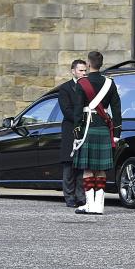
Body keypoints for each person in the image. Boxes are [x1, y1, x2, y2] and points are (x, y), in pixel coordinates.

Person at [73, 50, 122, 215]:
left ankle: (90, 205)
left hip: (87, 128)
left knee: (87, 169)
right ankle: (99, 206)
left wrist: (77, 132)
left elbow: (77, 111)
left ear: (88, 64)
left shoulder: (81, 83)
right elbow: (116, 109)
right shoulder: (110, 83)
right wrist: (117, 132)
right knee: (101, 169)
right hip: (103, 128)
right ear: (101, 64)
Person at [58, 58, 87, 208]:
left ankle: (80, 196)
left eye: (85, 70)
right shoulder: (65, 88)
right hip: (70, 129)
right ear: (73, 71)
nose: (83, 73)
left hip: (85, 128)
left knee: (81, 165)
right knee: (69, 165)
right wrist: (80, 120)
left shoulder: (88, 87)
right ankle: (69, 197)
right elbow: (66, 110)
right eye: (80, 70)